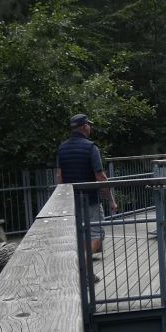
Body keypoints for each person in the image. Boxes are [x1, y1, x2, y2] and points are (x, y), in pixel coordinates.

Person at [55, 113, 116, 276]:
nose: (90, 127)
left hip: (71, 201)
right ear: (84, 127)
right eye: (89, 124)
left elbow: (60, 177)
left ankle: (87, 273)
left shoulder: (62, 148)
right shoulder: (91, 147)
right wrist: (110, 199)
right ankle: (81, 264)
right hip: (90, 200)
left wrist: (62, 201)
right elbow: (100, 176)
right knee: (97, 234)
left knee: (81, 235)